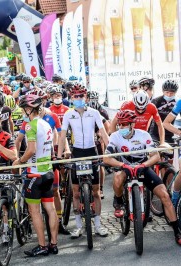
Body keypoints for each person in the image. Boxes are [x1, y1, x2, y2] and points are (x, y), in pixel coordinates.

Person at [103, 110, 181, 245]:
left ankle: (177, 231)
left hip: (143, 168)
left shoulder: (144, 135)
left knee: (165, 196)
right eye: (120, 125)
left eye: (125, 124)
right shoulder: (115, 136)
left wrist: (144, 165)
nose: (121, 127)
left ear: (132, 124)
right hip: (125, 167)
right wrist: (122, 164)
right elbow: (106, 158)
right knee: (117, 177)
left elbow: (156, 156)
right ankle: (118, 201)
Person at [57, 84, 109, 238]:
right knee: (75, 193)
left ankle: (98, 225)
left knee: (96, 192)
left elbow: (103, 133)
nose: (78, 99)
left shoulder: (94, 113)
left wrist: (112, 151)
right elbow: (62, 136)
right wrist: (59, 156)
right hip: (77, 153)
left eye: (81, 96)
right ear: (71, 98)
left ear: (85, 97)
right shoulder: (67, 114)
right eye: (75, 96)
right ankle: (78, 226)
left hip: (91, 151)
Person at [12, 94, 58, 257]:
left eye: (24, 109)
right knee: (50, 209)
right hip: (48, 172)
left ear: (29, 109)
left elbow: (31, 149)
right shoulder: (46, 124)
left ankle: (42, 246)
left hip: (35, 175)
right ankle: (53, 244)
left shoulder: (31, 125)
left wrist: (19, 161)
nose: (23, 112)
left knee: (35, 211)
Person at [150, 80, 178, 144]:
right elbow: (149, 118)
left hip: (169, 134)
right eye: (167, 92)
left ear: (175, 92)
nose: (169, 95)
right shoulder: (156, 101)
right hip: (155, 133)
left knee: (170, 153)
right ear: (163, 91)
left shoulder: (177, 102)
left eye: (172, 93)